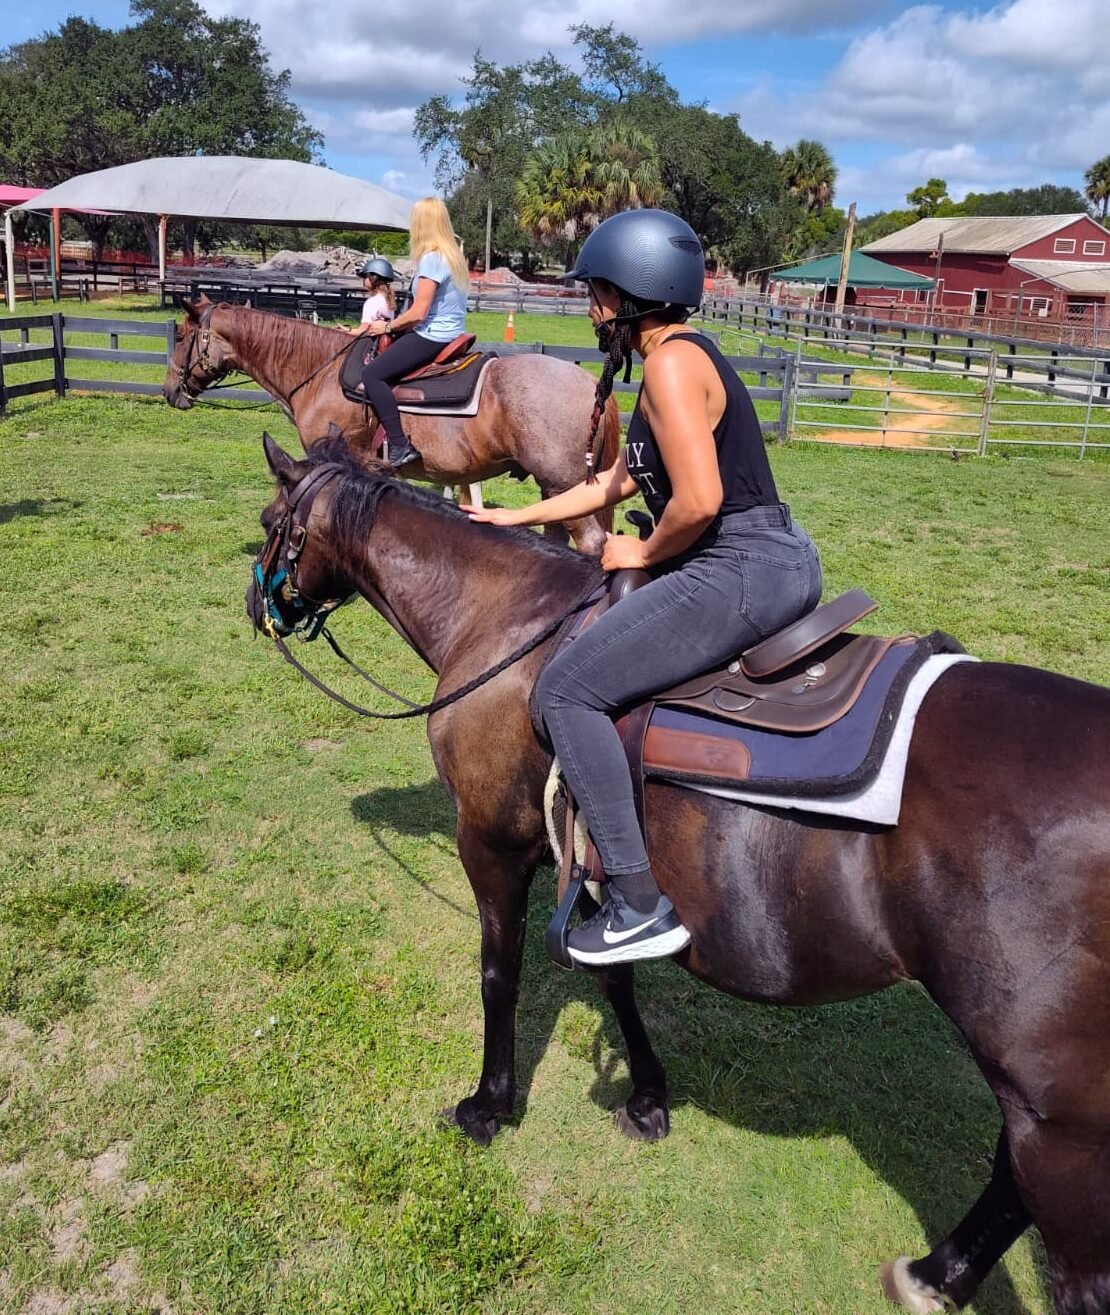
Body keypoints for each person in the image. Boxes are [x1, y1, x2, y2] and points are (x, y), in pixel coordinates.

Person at [464, 209, 823, 967]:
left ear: (634, 291)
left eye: (597, 293)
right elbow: (613, 482)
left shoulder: (668, 365)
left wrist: (644, 545)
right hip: (758, 554)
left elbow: (694, 503)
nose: (593, 310)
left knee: (564, 691)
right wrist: (514, 513)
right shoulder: (677, 358)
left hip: (744, 564)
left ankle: (636, 902)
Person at [360, 196, 470, 469]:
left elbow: (419, 312)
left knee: (372, 374)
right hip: (452, 331)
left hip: (432, 334)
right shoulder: (453, 256)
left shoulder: (432, 258)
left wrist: (386, 326)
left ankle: (398, 444)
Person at [345, 256, 397, 335]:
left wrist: (345, 331)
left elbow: (362, 332)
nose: (363, 279)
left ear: (374, 279)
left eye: (366, 276)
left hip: (369, 342)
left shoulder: (373, 302)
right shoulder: (388, 299)